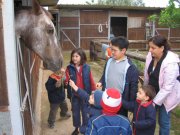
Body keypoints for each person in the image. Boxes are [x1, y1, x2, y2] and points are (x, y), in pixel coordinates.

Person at [144, 35, 180, 135]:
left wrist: (154, 103)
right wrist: (144, 90)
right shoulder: (150, 56)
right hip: (152, 92)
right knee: (149, 118)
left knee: (163, 121)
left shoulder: (171, 63)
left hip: (167, 95)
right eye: (149, 47)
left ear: (162, 48)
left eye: (153, 48)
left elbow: (167, 88)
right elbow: (147, 74)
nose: (150, 50)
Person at [96, 36, 139, 117]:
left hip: (120, 102)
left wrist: (131, 105)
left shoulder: (130, 67)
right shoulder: (109, 61)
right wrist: (101, 82)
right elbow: (105, 74)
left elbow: (133, 88)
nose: (111, 52)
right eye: (111, 49)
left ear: (123, 50)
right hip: (106, 98)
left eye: (114, 50)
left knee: (119, 123)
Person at [65, 48, 96, 135]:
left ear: (82, 57)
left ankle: (85, 128)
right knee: (75, 113)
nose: (74, 58)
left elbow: (91, 80)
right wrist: (65, 81)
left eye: (76, 56)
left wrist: (93, 91)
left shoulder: (87, 67)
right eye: (73, 56)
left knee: (85, 112)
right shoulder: (69, 68)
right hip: (74, 95)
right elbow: (66, 79)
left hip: (85, 95)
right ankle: (77, 128)